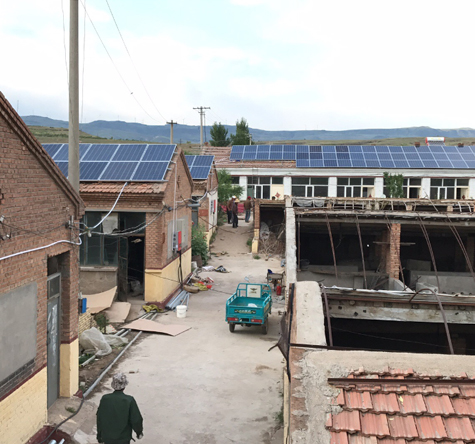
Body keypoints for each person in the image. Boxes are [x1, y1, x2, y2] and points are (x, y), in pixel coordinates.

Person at [96, 373, 143, 444]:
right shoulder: (129, 400)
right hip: (123, 438)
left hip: (107, 438)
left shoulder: (105, 399)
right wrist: (139, 432)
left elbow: (99, 418)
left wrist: (99, 436)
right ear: (124, 386)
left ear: (113, 385)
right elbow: (136, 419)